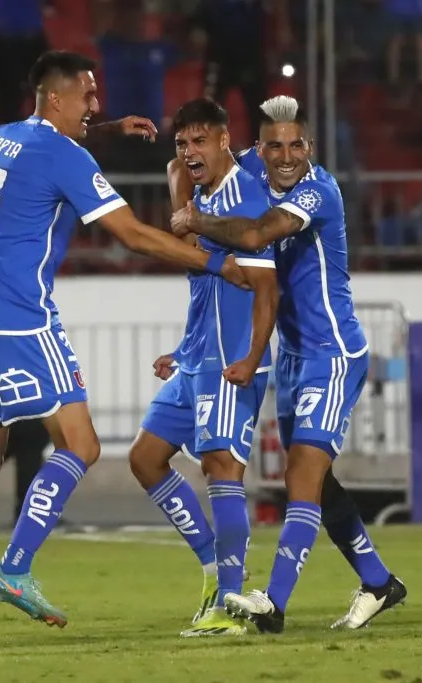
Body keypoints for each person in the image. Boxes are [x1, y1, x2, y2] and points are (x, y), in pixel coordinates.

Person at [0, 50, 248, 642]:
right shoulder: (65, 155)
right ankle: (15, 568)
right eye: (88, 96)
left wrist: (109, 129)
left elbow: (50, 147)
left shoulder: (3, 136)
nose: (96, 104)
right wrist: (216, 264)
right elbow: (133, 234)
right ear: (56, 98)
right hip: (21, 314)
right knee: (81, 443)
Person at [171, 96, 407, 633]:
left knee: (302, 473)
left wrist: (197, 220)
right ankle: (378, 582)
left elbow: (256, 235)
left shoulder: (319, 191)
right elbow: (182, 162)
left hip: (334, 353)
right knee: (316, 481)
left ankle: (273, 604)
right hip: (295, 357)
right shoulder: (254, 168)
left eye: (296, 145)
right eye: (274, 146)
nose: (285, 156)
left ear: (310, 147)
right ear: (257, 149)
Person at [128, 98, 278, 638]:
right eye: (181, 143)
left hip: (232, 360)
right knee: (146, 459)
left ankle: (231, 605)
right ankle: (216, 568)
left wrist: (252, 359)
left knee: (222, 467)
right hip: (196, 357)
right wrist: (183, 348)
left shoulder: (246, 199)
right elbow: (208, 288)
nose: (189, 152)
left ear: (224, 140)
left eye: (199, 141)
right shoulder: (201, 196)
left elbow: (266, 289)